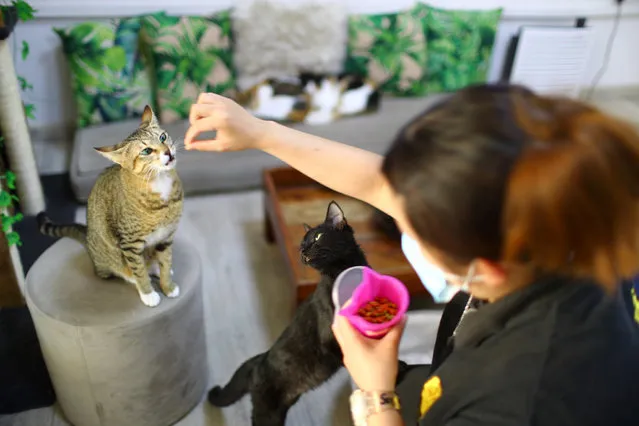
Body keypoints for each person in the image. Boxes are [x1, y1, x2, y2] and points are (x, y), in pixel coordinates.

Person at [185, 84, 639, 426]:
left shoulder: (519, 400)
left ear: (486, 265)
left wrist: (376, 393)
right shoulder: (568, 211)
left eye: (411, 225)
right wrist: (261, 132)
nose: (398, 218)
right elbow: (380, 182)